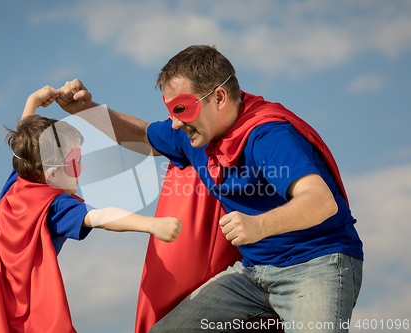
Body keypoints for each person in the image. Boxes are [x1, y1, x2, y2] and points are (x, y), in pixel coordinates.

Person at [55, 45, 364, 333]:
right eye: (171, 111)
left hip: (317, 264)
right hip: (253, 274)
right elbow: (141, 133)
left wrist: (259, 224)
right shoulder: (194, 132)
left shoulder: (269, 135)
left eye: (182, 109)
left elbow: (321, 201)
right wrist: (86, 110)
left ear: (218, 97)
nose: (175, 124)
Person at [0, 86, 183, 333]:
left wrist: (33, 100)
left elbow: (25, 144)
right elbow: (102, 217)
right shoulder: (54, 205)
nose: (81, 169)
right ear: (52, 174)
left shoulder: (17, 185)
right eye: (76, 162)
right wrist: (151, 224)